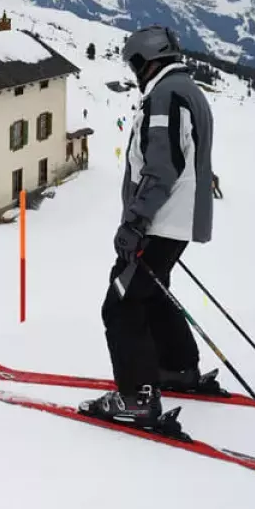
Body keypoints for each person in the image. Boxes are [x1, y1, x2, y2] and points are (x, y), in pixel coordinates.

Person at [78, 26, 215, 431]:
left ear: (145, 61)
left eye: (134, 64)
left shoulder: (165, 97)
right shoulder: (185, 90)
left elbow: (162, 167)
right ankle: (176, 368)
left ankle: (137, 398)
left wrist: (136, 222)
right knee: (150, 293)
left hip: (160, 220)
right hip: (175, 221)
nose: (134, 72)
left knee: (121, 302)